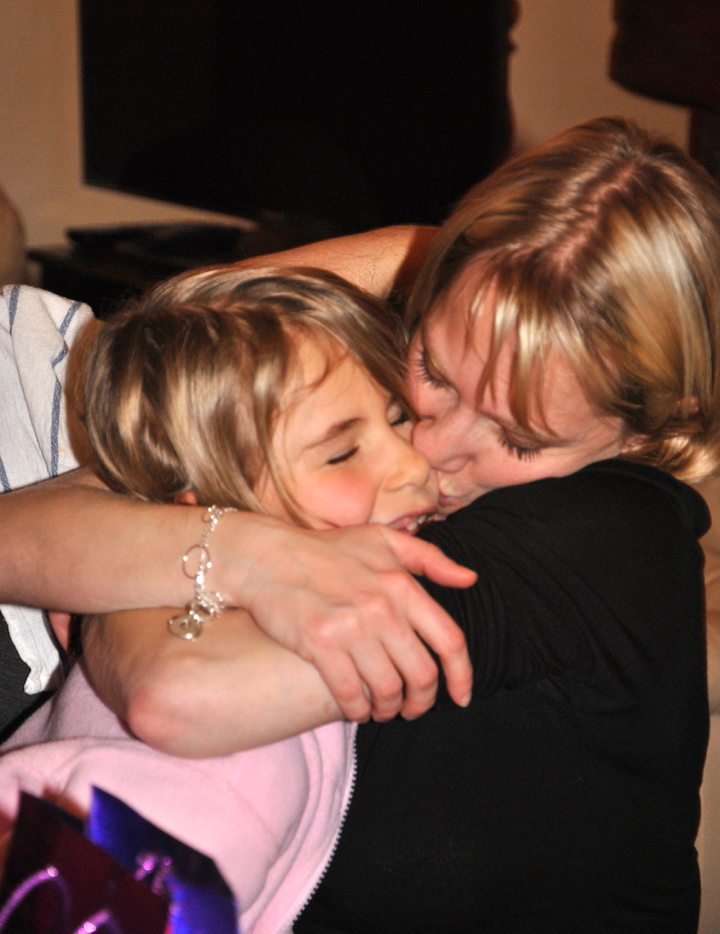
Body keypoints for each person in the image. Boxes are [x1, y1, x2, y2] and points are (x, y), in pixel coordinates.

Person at [0, 116, 719, 929]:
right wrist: (234, 548)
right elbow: (108, 449)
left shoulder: (610, 537)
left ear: (651, 432)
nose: (431, 451)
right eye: (434, 373)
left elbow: (177, 691)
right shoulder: (382, 386)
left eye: (518, 439)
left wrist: (139, 572)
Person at [0, 265, 445, 932]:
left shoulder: (158, 588)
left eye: (400, 416)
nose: (412, 465)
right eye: (340, 454)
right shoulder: (235, 762)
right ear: (201, 496)